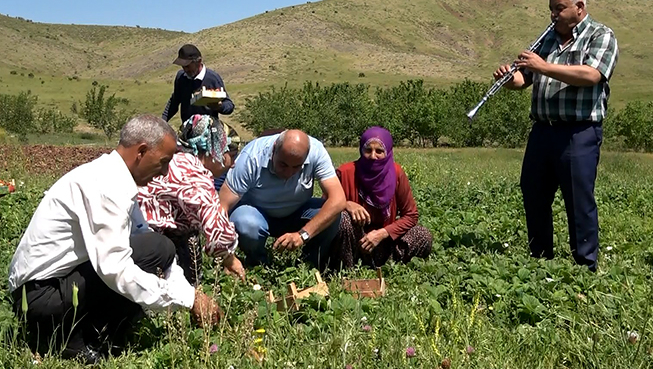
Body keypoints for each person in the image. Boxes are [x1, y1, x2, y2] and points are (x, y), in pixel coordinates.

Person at [7, 115, 221, 365]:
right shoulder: (105, 185)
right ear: (141, 152)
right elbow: (115, 269)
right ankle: (65, 338)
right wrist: (187, 299)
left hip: (59, 288)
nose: (164, 173)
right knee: (148, 253)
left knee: (158, 248)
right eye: (163, 162)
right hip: (41, 298)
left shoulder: (116, 179)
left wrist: (191, 294)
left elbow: (146, 240)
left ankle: (98, 332)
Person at [492, 0, 619, 271]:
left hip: (578, 131)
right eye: (551, 9)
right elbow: (523, 80)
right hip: (542, 130)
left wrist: (543, 67)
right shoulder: (547, 39)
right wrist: (509, 78)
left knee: (578, 197)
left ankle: (585, 265)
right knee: (533, 191)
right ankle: (540, 258)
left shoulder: (600, 35)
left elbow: (591, 75)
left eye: (559, 8)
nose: (553, 15)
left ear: (579, 8)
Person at [138, 114, 245, 286]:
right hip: (152, 246)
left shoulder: (173, 161)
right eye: (231, 154)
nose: (233, 164)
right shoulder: (195, 176)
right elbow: (217, 231)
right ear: (214, 151)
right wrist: (230, 260)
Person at [218, 129, 346, 270]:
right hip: (256, 213)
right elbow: (222, 207)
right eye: (283, 165)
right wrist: (225, 254)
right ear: (274, 150)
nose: (289, 173)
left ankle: (309, 266)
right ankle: (257, 265)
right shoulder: (252, 157)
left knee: (331, 213)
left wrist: (302, 235)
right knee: (246, 222)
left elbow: (338, 199)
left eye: (297, 167)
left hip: (297, 212)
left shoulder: (316, 151)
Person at [331, 126, 433, 269]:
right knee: (342, 219)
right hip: (353, 244)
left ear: (388, 152)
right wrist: (346, 204)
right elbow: (324, 206)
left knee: (422, 235)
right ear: (361, 150)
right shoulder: (346, 172)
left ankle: (387, 266)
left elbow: (411, 215)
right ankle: (346, 269)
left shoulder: (396, 173)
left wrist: (383, 233)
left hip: (384, 243)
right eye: (368, 150)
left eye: (379, 151)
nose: (373, 156)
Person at [161, 44, 234, 124]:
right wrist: (162, 122)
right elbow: (174, 103)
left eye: (188, 66)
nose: (185, 69)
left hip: (209, 129)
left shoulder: (212, 78)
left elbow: (229, 106)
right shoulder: (181, 77)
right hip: (187, 129)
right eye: (183, 66)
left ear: (198, 61)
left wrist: (219, 107)